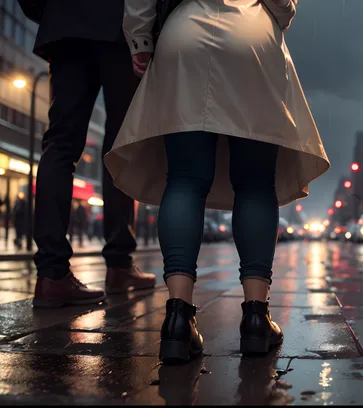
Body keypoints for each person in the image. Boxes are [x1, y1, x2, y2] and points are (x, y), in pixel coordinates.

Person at [105, 0, 329, 362]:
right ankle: (256, 316)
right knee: (255, 182)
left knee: (184, 178)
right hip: (252, 37)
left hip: (185, 33)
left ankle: (178, 316)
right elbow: (283, 7)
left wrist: (141, 40)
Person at [29, 0, 156, 308]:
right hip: (118, 25)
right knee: (119, 146)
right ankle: (118, 264)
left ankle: (52, 273)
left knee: (60, 143)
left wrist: (50, 12)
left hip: (65, 25)